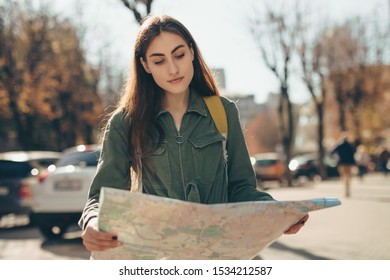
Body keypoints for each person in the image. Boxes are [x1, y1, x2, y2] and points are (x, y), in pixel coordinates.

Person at [79, 15, 308, 255]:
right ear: (145, 66)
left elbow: (242, 188)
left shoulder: (223, 112)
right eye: (159, 61)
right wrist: (93, 222)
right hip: (158, 260)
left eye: (179, 55)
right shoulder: (126, 122)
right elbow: (101, 197)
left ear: (191, 52)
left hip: (220, 257)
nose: (173, 69)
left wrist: (276, 212)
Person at [331, 132, 356, 197]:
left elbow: (332, 151)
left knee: (344, 177)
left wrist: (336, 158)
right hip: (349, 163)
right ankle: (348, 191)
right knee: (348, 177)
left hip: (341, 163)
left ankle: (345, 190)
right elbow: (353, 153)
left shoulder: (339, 145)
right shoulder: (350, 145)